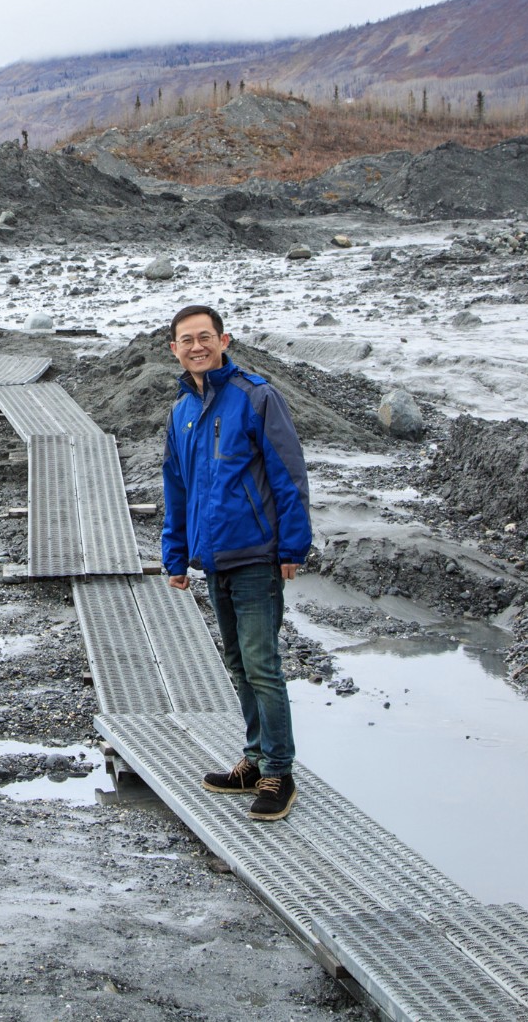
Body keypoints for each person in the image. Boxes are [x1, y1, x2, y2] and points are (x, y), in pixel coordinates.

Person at [161, 303, 312, 821]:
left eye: (206, 337)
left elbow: (289, 472)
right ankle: (252, 759)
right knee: (238, 664)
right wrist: (176, 553)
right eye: (187, 340)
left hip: (256, 554)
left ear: (225, 341)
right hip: (215, 558)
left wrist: (293, 546)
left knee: (263, 666)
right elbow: (176, 487)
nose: (197, 346)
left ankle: (279, 773)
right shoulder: (181, 411)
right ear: (174, 350)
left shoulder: (256, 396)